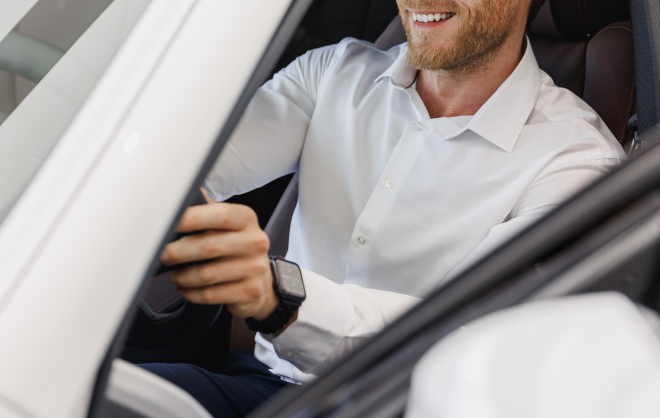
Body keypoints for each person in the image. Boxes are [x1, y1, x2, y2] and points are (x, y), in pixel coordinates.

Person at [140, 0, 626, 416]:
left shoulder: (576, 162)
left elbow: (469, 333)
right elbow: (180, 174)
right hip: (268, 387)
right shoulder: (333, 72)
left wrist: (280, 295)